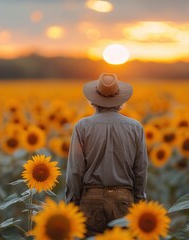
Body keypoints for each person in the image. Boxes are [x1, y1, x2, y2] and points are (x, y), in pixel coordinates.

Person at [65, 73, 148, 236]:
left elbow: (75, 172)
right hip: (124, 200)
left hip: (91, 200)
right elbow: (140, 171)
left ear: (93, 99)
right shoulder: (135, 127)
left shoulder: (82, 127)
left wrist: (72, 206)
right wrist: (139, 205)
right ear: (121, 100)